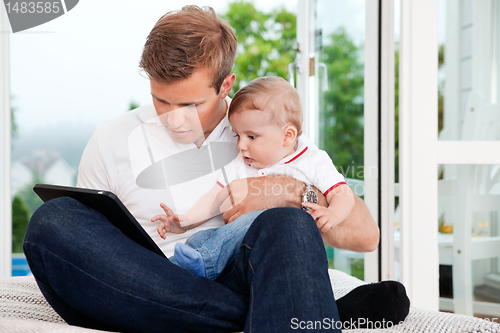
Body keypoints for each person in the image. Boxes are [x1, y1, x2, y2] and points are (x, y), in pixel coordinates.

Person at [23, 6, 409, 332]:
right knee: (52, 223)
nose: (174, 120)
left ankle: (255, 311)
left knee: (289, 224)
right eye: (161, 100)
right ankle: (290, 316)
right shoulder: (111, 138)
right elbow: (93, 252)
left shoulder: (263, 131)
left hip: (239, 271)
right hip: (142, 281)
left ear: (226, 85)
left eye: (190, 104)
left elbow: (366, 237)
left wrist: (289, 192)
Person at [154, 76, 355, 280]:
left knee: (253, 219)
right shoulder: (240, 163)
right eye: (237, 136)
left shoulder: (312, 160)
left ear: (287, 136)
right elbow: (214, 199)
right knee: (202, 238)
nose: (241, 146)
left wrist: (334, 215)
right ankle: (174, 268)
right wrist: (185, 221)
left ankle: (204, 265)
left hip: (279, 250)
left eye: (251, 137)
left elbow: (343, 194)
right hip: (237, 249)